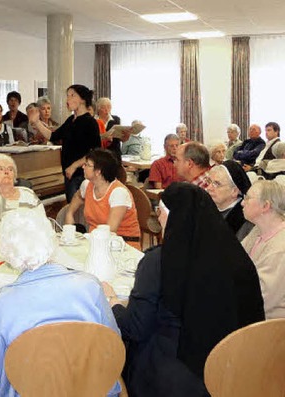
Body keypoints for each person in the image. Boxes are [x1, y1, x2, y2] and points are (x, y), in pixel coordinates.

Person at [102, 183, 265, 397]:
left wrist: (113, 302)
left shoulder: (158, 262)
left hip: (173, 378)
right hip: (235, 369)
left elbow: (135, 327)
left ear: (172, 218)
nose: (158, 219)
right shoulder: (239, 258)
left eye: (160, 213)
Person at [0, 208, 121, 397]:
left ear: (7, 254)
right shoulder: (90, 286)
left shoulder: (2, 302)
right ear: (51, 239)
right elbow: (112, 345)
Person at [29, 84, 101, 202]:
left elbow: (95, 152)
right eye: (67, 96)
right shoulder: (70, 120)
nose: (68, 99)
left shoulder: (90, 122)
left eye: (72, 95)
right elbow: (53, 136)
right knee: (71, 208)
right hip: (69, 174)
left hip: (82, 175)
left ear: (82, 99)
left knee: (81, 212)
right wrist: (37, 122)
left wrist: (74, 166)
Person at [64, 149, 141, 249]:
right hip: (96, 242)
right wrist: (69, 213)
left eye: (87, 165)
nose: (83, 167)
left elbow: (109, 231)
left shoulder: (118, 193)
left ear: (98, 171)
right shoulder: (87, 185)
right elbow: (78, 196)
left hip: (122, 245)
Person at [241, 180, 285, 319]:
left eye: (248, 198)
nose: (242, 203)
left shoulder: (280, 248)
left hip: (269, 327)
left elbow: (261, 299)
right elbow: (234, 262)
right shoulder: (257, 230)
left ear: (265, 206)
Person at [205, 161, 253, 239]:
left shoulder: (245, 221)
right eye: (209, 181)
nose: (209, 188)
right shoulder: (206, 208)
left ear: (234, 191)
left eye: (217, 184)